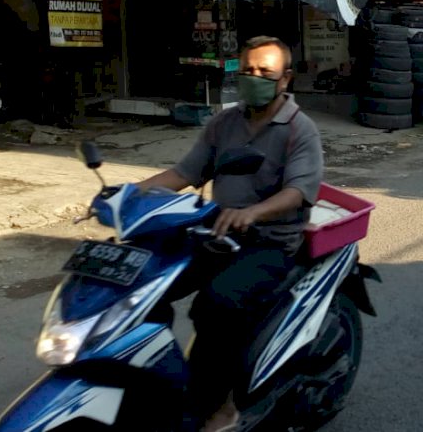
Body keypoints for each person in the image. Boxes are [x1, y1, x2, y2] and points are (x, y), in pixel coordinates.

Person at [136, 36, 323, 432]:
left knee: (215, 306)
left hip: (269, 242)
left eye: (265, 73)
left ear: (284, 79)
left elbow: (298, 192)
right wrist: (128, 195)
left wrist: (253, 212)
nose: (254, 78)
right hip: (217, 230)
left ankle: (221, 408)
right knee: (142, 285)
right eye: (248, 70)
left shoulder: (299, 130)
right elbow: (185, 173)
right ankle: (160, 378)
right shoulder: (224, 122)